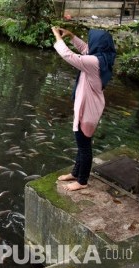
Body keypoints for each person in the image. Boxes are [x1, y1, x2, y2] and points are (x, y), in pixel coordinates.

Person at [51, 26, 116, 191]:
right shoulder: (103, 56)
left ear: (98, 44)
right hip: (88, 105)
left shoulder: (94, 62)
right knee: (82, 143)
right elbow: (85, 49)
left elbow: (69, 56)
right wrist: (71, 36)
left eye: (91, 40)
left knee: (84, 146)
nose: (89, 43)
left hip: (88, 110)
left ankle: (82, 181)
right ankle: (75, 173)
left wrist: (58, 38)